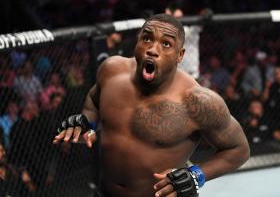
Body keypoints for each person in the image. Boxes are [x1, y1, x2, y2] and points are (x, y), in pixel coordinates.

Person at [53, 14, 250, 197]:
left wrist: (196, 175)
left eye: (166, 44)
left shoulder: (197, 101)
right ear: (137, 42)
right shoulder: (111, 70)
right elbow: (93, 101)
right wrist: (86, 122)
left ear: (179, 55)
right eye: (147, 39)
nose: (153, 49)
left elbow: (239, 149)